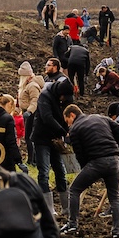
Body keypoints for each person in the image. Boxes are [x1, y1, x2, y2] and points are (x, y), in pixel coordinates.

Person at [60, 104, 119, 238]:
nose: (68, 125)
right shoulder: (101, 118)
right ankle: (117, 232)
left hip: (96, 162)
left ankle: (72, 224)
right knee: (115, 197)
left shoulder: (75, 129)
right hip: (114, 160)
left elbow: (79, 153)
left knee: (74, 190)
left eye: (67, 121)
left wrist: (86, 170)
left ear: (72, 115)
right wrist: (118, 149)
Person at [28, 62, 75, 204]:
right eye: (64, 98)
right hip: (42, 138)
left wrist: (69, 131)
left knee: (60, 171)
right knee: (44, 172)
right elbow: (47, 118)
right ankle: (48, 207)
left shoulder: (65, 99)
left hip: (55, 138)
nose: (64, 101)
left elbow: (67, 115)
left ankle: (66, 206)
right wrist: (63, 132)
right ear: (60, 94)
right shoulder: (45, 96)